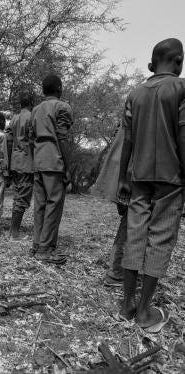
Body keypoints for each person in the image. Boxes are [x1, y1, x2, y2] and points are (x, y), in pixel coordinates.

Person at [117, 38, 185, 333]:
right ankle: (144, 311)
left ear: (153, 62)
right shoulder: (181, 89)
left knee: (135, 237)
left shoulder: (135, 93)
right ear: (178, 60)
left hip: (139, 177)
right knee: (160, 241)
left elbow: (127, 140)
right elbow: (183, 138)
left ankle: (126, 305)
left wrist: (122, 177)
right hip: (171, 179)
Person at [31, 74, 73, 264]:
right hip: (54, 162)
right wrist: (68, 166)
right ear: (59, 89)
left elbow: (32, 137)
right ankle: (45, 249)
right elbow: (62, 137)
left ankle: (37, 244)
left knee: (40, 205)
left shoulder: (35, 110)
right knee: (54, 205)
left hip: (38, 161)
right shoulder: (62, 107)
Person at [92, 125, 130, 287]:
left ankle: (118, 269)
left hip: (121, 167)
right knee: (131, 221)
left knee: (129, 220)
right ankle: (116, 272)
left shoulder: (134, 102)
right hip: (129, 170)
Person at [9, 92, 35, 240]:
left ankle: (12, 230)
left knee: (17, 194)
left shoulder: (14, 118)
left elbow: (10, 138)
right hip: (26, 161)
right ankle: (14, 233)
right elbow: (32, 139)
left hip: (15, 160)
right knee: (23, 197)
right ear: (31, 102)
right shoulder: (31, 116)